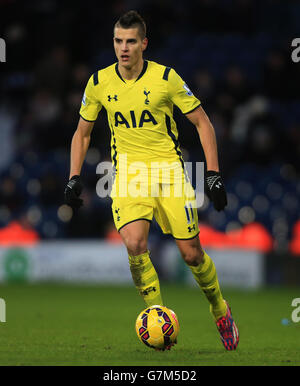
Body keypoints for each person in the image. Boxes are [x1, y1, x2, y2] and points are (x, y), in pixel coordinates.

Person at [64, 10, 239, 351]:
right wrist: (73, 177)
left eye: (131, 41)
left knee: (191, 255)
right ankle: (156, 316)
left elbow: (203, 123)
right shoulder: (99, 83)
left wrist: (214, 174)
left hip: (170, 173)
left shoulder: (166, 79)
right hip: (128, 176)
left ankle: (219, 307)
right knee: (134, 244)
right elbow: (82, 134)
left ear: (144, 43)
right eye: (118, 41)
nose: (123, 48)